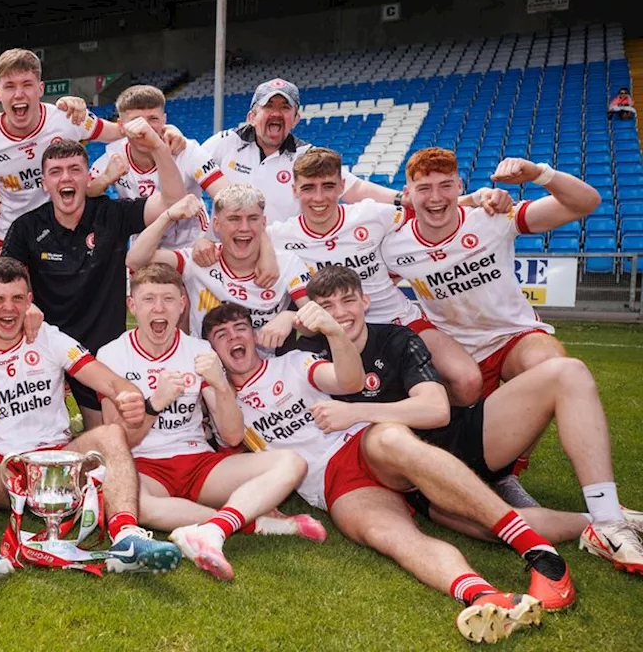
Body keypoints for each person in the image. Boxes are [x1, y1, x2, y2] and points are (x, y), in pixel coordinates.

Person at [204, 301, 572, 643]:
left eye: (241, 328)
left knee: (394, 441)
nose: (235, 338)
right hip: (333, 484)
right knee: (389, 533)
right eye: (222, 336)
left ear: (254, 336)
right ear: (212, 351)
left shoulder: (293, 362)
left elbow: (348, 381)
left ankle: (540, 554)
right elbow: (232, 448)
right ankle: (484, 596)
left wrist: (334, 332)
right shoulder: (221, 403)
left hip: (362, 444)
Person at [298, 265, 643, 575]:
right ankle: (605, 522)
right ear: (313, 313)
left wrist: (356, 412)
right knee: (488, 526)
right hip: (418, 477)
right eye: (327, 306)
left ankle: (606, 509)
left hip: (459, 439)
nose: (340, 313)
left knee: (568, 372)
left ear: (366, 301)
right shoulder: (307, 356)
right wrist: (286, 320)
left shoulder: (397, 338)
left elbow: (437, 410)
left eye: (348, 301)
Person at [0, 258, 182, 591]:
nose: (8, 309)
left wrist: (129, 394)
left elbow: (110, 382)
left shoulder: (48, 337)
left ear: (29, 300)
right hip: (4, 469)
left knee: (110, 434)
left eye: (16, 298)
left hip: (61, 461)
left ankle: (127, 538)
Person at [97, 262, 326, 579]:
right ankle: (253, 522)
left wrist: (220, 385)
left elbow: (232, 436)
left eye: (168, 299)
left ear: (181, 305)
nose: (159, 308)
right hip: (144, 465)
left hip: (198, 462)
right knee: (133, 504)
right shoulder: (112, 355)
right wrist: (155, 403)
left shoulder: (199, 349)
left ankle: (213, 529)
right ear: (132, 306)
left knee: (291, 463)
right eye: (149, 299)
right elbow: (118, 440)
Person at [266, 147, 484, 406]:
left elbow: (430, 208)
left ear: (342, 186)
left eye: (328, 186)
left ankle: (437, 428)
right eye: (308, 188)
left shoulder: (371, 215)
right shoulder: (279, 237)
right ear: (294, 190)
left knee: (468, 381)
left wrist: (477, 199)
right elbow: (238, 243)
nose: (319, 197)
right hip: (339, 328)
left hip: (398, 318)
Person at [0, 132, 185, 428]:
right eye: (56, 172)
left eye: (75, 170)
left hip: (103, 348)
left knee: (106, 435)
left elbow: (173, 200)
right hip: (48, 345)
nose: (66, 178)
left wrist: (159, 148)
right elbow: (3, 277)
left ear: (88, 177)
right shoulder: (26, 227)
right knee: (31, 431)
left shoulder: (112, 214)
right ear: (44, 183)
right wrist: (25, 306)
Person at [381, 150, 601, 398]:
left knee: (553, 367)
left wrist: (539, 173)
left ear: (459, 186)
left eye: (445, 185)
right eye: (424, 188)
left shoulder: (492, 218)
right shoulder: (394, 247)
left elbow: (586, 202)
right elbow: (375, 288)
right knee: (456, 431)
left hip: (513, 336)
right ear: (408, 193)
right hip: (453, 349)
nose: (435, 197)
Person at [0, 48, 140, 249]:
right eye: (9, 86)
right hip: (13, 235)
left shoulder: (68, 118)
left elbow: (120, 132)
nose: (19, 94)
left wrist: (163, 131)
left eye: (27, 84)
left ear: (40, 89)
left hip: (65, 230)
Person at [127, 184, 311, 346]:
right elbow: (135, 259)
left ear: (263, 223)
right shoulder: (198, 260)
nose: (244, 227)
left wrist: (290, 318)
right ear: (216, 224)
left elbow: (313, 325)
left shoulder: (287, 263)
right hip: (207, 369)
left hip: (269, 372)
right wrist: (167, 216)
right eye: (234, 219)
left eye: (253, 218)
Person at [200, 78, 400, 224]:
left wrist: (400, 199)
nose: (277, 113)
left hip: (282, 261)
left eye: (285, 108)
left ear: (296, 119)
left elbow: (354, 189)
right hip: (226, 257)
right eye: (268, 106)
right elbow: (188, 173)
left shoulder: (305, 156)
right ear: (252, 116)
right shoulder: (224, 143)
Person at [88, 85, 223, 250]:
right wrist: (105, 179)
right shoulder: (114, 155)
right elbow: (86, 192)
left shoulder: (186, 150)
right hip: (145, 246)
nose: (145, 128)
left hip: (192, 245)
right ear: (121, 126)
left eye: (153, 119)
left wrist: (211, 238)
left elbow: (224, 194)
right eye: (136, 120)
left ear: (164, 120)